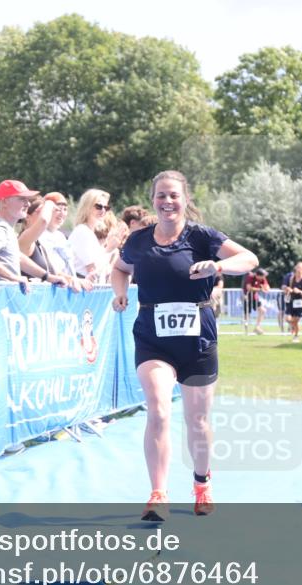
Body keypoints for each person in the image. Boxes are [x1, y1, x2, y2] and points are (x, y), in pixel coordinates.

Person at [111, 170, 258, 521]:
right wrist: (119, 293)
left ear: (185, 199)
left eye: (174, 195)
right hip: (153, 337)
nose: (167, 202)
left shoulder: (202, 236)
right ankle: (158, 494)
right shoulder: (139, 240)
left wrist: (217, 265)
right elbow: (119, 269)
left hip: (198, 339)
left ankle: (202, 484)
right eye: (161, 195)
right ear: (153, 201)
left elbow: (249, 259)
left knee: (197, 420)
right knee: (159, 408)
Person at [0, 179, 69, 289]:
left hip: (3, 299)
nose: (28, 204)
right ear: (4, 202)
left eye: (27, 199)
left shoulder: (5, 228)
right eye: (22, 199)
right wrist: (14, 278)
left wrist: (47, 277)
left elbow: (19, 257)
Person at [19, 196, 86, 291]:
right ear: (27, 217)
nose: (45, 215)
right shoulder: (24, 238)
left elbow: (53, 273)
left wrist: (73, 279)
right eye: (39, 212)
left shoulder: (38, 242)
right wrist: (49, 203)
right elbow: (43, 221)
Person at [70, 188, 113, 281]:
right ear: (87, 207)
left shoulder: (88, 232)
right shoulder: (82, 231)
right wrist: (109, 249)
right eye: (99, 206)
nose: (103, 210)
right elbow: (92, 270)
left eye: (106, 207)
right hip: (82, 289)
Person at [284, 262, 302, 343]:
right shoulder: (292, 278)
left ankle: (296, 335)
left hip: (300, 303)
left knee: (295, 321)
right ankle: (294, 329)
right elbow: (291, 289)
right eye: (297, 267)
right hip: (292, 301)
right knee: (288, 319)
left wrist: (299, 291)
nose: (298, 269)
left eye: (300, 267)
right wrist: (289, 290)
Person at [242, 268, 269, 334]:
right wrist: (260, 289)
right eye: (263, 276)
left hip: (254, 297)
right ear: (258, 275)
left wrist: (266, 288)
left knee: (263, 310)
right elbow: (249, 287)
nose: (264, 277)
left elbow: (267, 286)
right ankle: (246, 331)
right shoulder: (250, 277)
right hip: (247, 297)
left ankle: (257, 327)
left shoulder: (262, 278)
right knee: (247, 314)